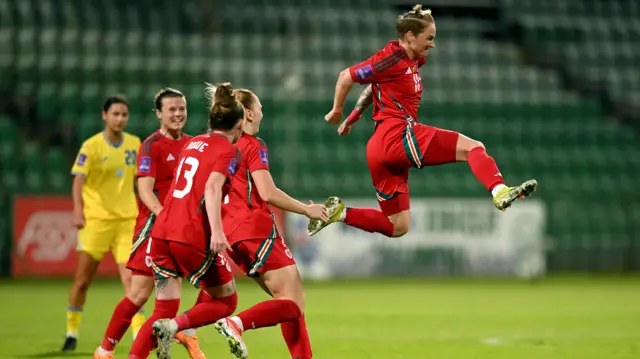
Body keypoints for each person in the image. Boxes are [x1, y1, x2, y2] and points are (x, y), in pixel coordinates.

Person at [308, 5, 537, 238]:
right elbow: (346, 76)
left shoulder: (413, 60)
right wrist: (337, 110)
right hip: (397, 136)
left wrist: (354, 117)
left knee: (398, 226)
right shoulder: (391, 57)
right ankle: (499, 191)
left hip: (380, 148)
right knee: (473, 148)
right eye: (429, 38)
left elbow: (374, 86)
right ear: (409, 37)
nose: (432, 44)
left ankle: (338, 213)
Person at [128, 82, 244, 359]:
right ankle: (176, 327)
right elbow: (212, 188)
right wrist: (216, 231)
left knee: (162, 309)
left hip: (162, 235)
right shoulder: (230, 151)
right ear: (239, 126)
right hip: (189, 236)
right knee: (227, 301)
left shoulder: (192, 143)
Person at [211, 88, 327, 359]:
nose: (263, 111)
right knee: (294, 303)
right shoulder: (253, 144)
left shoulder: (221, 145)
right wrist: (307, 209)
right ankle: (236, 323)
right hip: (257, 230)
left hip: (232, 237)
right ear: (249, 113)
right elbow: (268, 192)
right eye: (260, 106)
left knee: (287, 304)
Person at [94, 88, 207, 359]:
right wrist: (167, 217)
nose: (178, 114)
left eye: (182, 108)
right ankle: (105, 350)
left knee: (196, 290)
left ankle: (181, 331)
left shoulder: (193, 144)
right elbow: (145, 190)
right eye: (172, 109)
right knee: (139, 294)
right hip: (153, 230)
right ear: (159, 114)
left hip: (181, 232)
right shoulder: (151, 146)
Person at [64, 95, 141, 351]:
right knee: (83, 280)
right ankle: (72, 332)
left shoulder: (134, 144)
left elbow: (139, 180)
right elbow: (78, 180)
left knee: (132, 282)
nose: (120, 119)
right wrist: (78, 210)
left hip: (126, 220)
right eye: (115, 114)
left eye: (124, 115)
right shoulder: (91, 146)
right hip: (96, 220)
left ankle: (138, 336)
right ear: (104, 115)